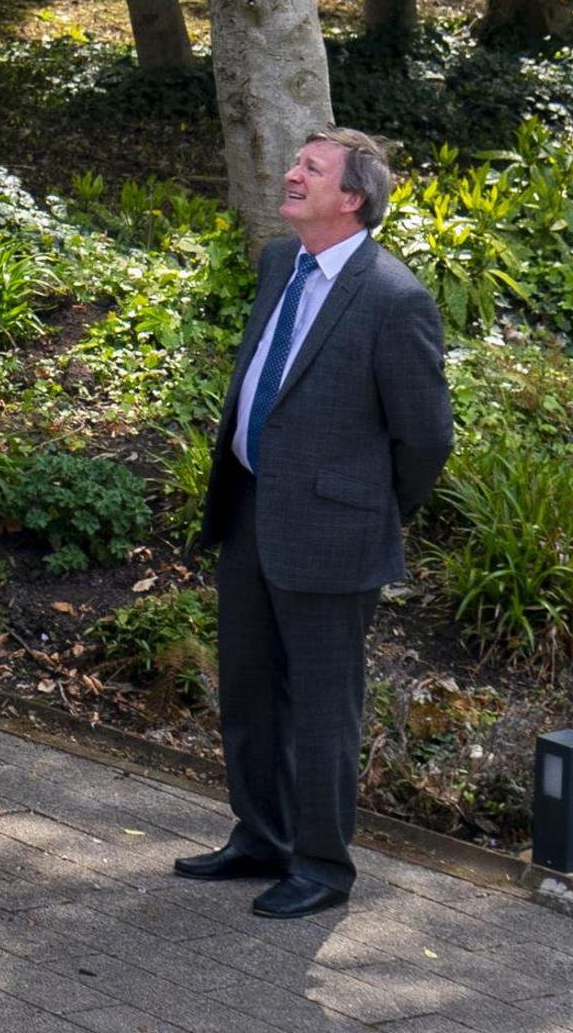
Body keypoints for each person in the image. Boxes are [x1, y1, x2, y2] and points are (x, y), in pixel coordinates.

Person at [177, 128, 453, 921]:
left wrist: (370, 510)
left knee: (325, 710)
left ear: (353, 197)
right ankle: (260, 838)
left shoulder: (394, 298)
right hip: (252, 507)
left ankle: (324, 867)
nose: (291, 174)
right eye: (296, 162)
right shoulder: (279, 263)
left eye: (311, 168)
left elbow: (426, 436)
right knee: (250, 691)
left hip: (335, 532)